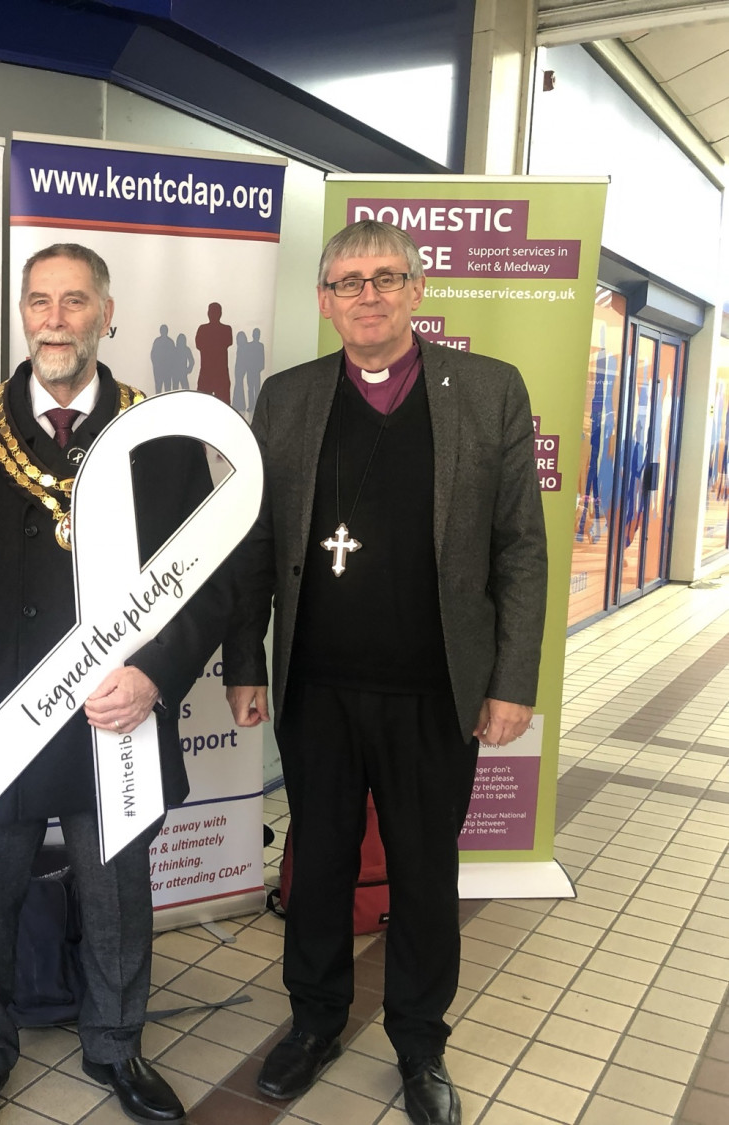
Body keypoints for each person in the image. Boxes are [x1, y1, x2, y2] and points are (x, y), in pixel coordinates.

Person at [0, 243, 228, 1125]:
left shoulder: (159, 438)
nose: (54, 318)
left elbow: (207, 583)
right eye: (39, 301)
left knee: (118, 892)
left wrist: (155, 676)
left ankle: (117, 1045)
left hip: (113, 714)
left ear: (106, 315)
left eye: (74, 301)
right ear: (22, 315)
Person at [221, 220, 546, 1125]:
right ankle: (314, 1020)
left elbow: (521, 547)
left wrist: (512, 678)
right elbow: (252, 544)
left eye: (385, 277)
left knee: (423, 872)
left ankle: (419, 1042)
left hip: (433, 689)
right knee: (316, 863)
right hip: (317, 686)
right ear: (325, 300)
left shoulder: (486, 392)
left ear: (416, 288)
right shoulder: (285, 400)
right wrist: (245, 659)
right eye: (348, 281)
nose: (367, 294)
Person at [194, 302, 235, 404]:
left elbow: (199, 345)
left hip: (211, 372)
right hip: (216, 372)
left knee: (210, 403)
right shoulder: (225, 329)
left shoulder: (204, 329)